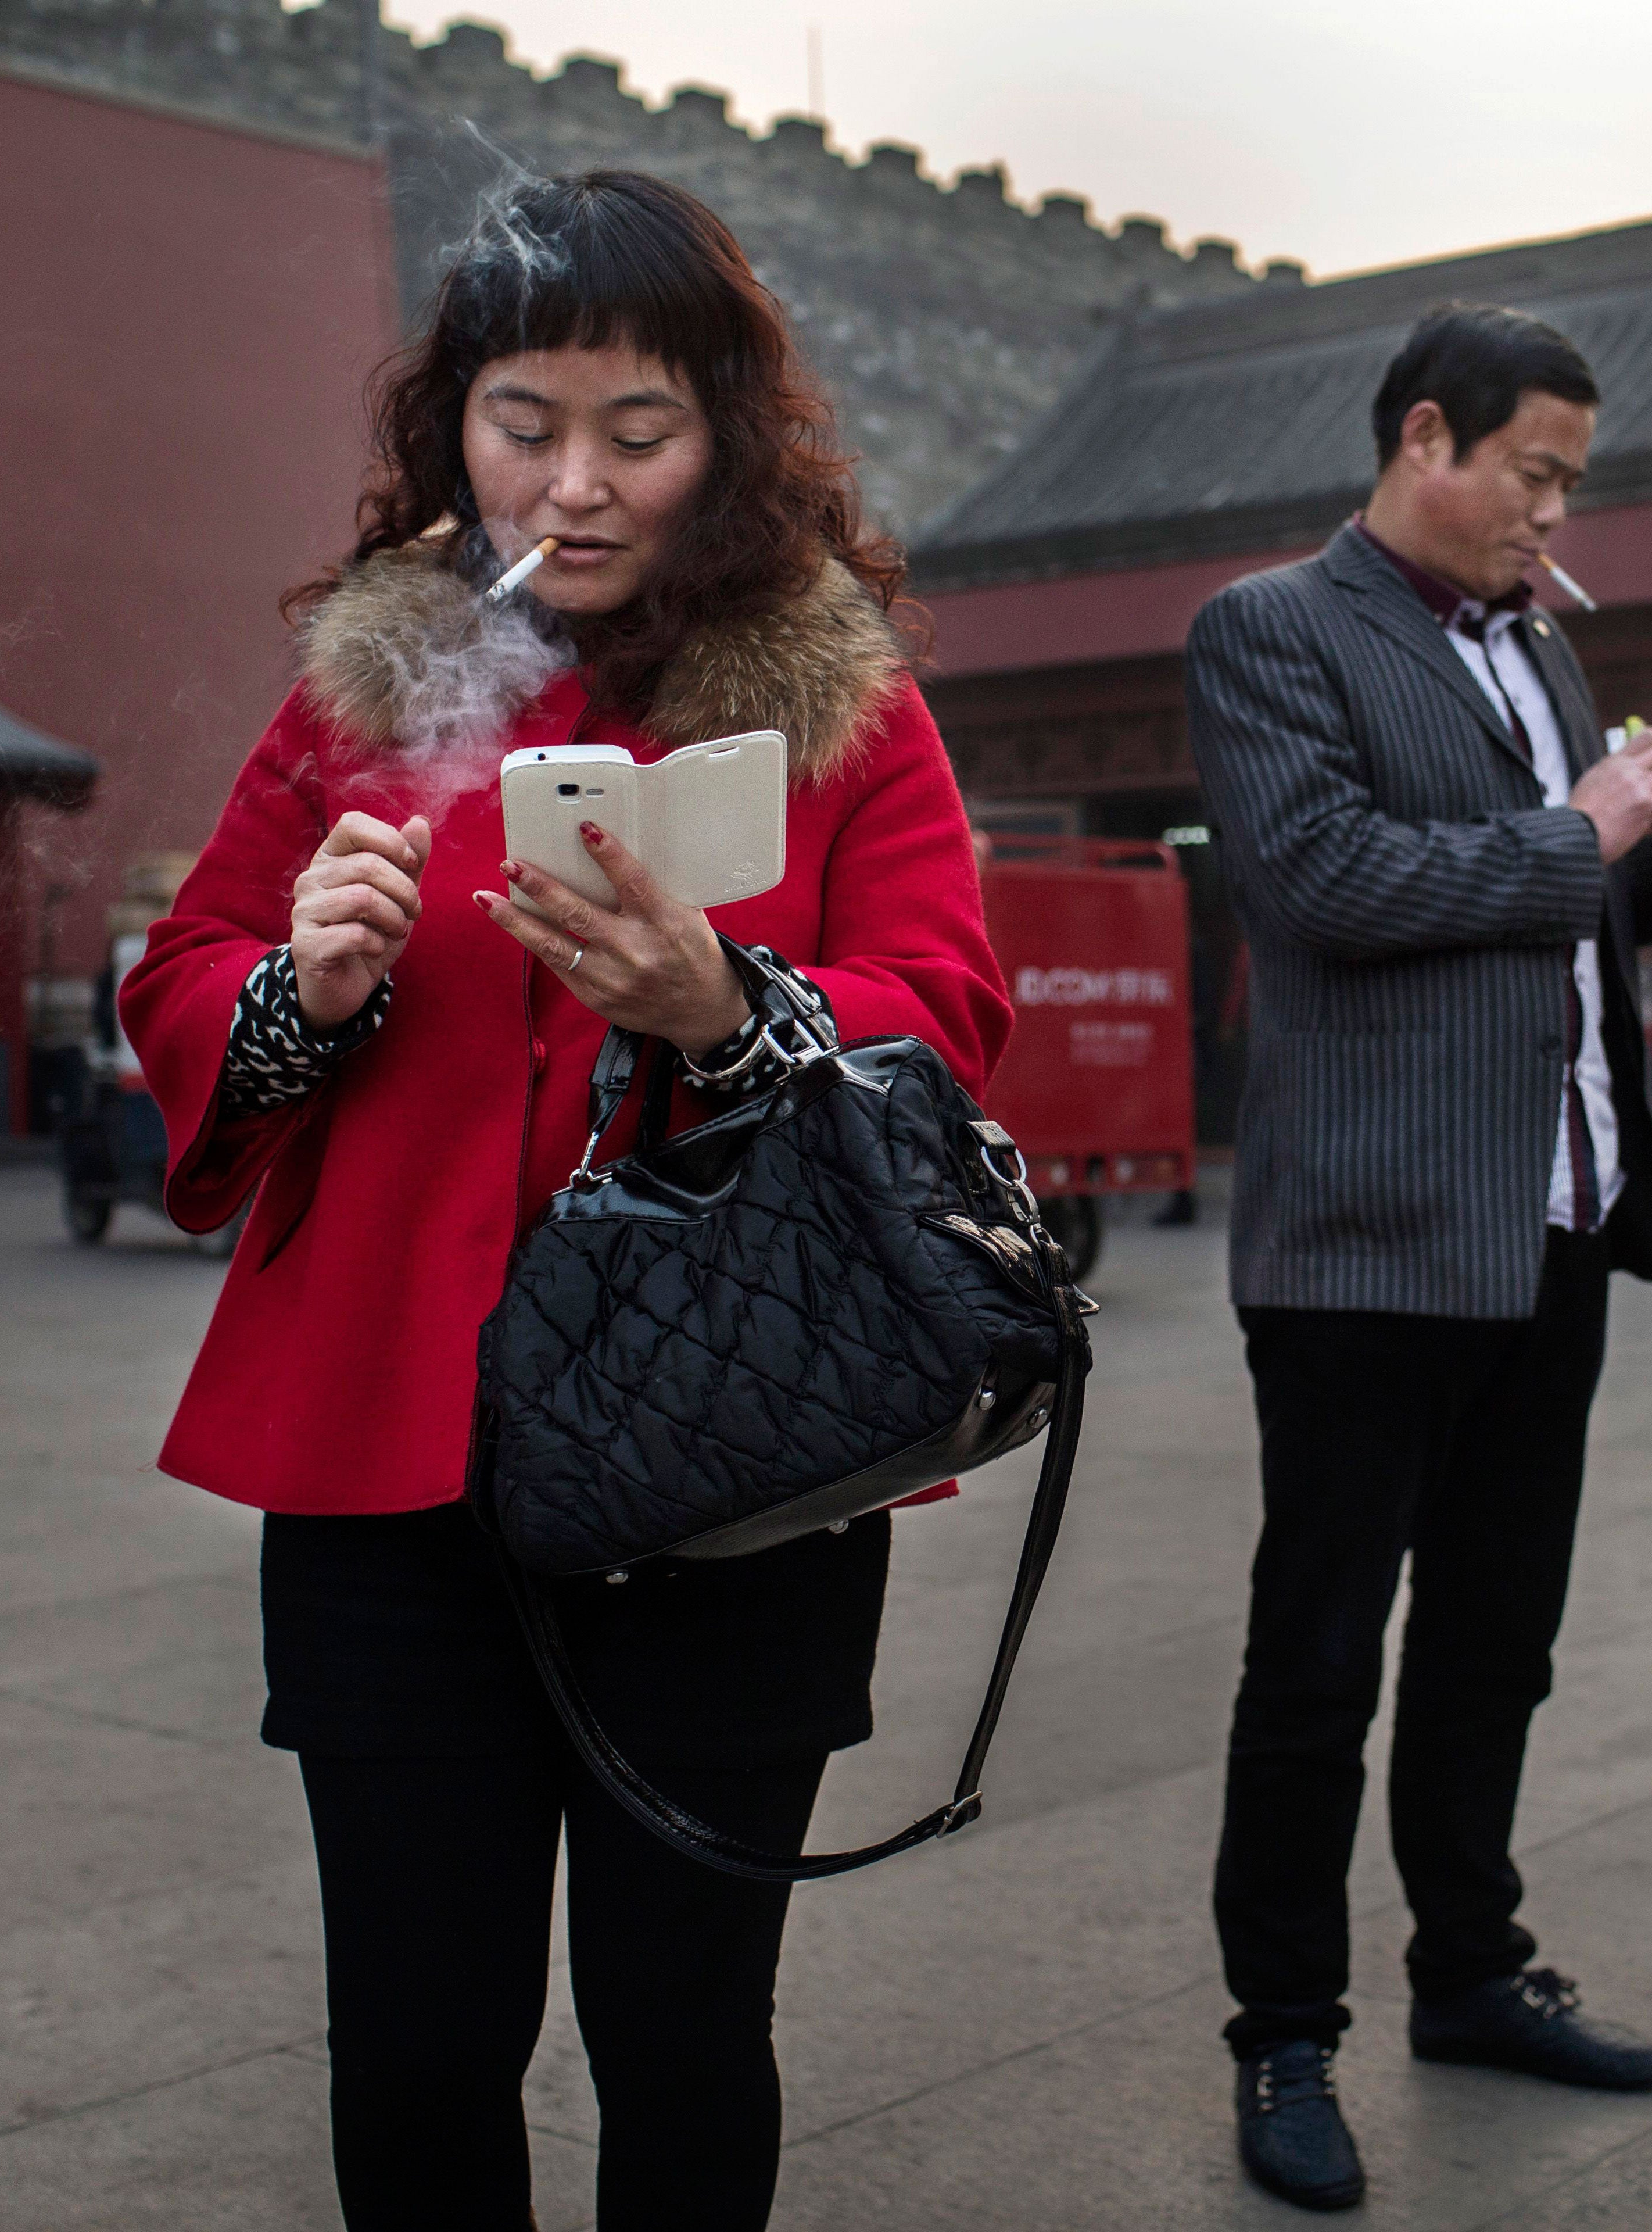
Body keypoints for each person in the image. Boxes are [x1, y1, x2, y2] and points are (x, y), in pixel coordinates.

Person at [118, 171, 1010, 2229]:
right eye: (528, 421)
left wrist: (731, 1002)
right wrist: (297, 987)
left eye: (640, 431)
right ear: (455, 430)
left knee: (684, 2028)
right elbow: (186, 979)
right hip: (389, 1476)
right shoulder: (370, 686)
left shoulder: (841, 699)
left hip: (728, 1462)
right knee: (418, 2036)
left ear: (726, 441)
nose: (579, 485)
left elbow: (949, 1011)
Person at [1184, 301, 1652, 2214]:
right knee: (1318, 1661)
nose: (1554, 514)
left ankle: (1470, 1971)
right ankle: (1285, 2029)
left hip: (1556, 1223)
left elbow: (1558, 913)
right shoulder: (1272, 628)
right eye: (1534, 474)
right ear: (1426, 438)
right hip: (1366, 1241)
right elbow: (1323, 882)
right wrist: (1576, 829)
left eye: (1574, 487)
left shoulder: (1539, 648)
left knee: (1493, 1647)